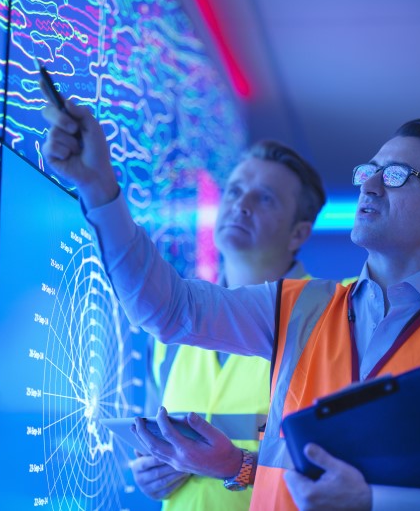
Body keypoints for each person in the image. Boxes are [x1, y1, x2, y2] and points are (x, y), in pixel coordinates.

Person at [41, 99, 420, 510]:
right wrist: (100, 189)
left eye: (398, 175)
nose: (370, 185)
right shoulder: (295, 308)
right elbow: (170, 311)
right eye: (370, 170)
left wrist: (376, 501)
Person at [132, 140, 327, 509]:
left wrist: (240, 469)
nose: (241, 205)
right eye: (235, 191)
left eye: (265, 198)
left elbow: (335, 475)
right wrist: (150, 474)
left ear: (298, 234)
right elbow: (158, 443)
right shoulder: (170, 329)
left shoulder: (323, 324)